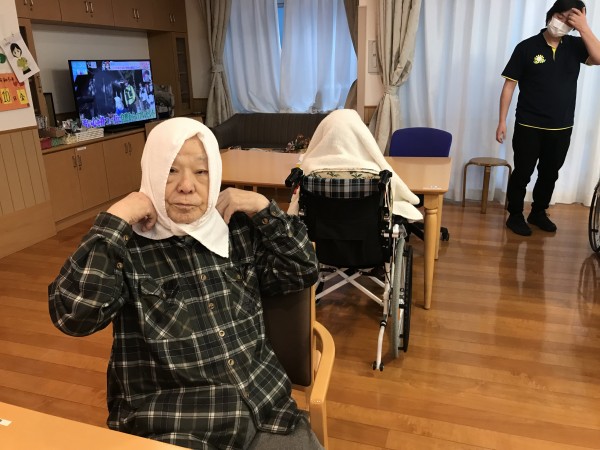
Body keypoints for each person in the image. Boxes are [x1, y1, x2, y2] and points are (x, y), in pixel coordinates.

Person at [48, 117, 322, 450]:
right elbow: (73, 316)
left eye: (201, 171)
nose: (187, 186)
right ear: (151, 172)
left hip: (266, 412)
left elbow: (303, 268)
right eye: (170, 170)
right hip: (178, 426)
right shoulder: (127, 246)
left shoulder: (236, 229)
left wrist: (263, 207)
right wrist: (118, 216)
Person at [496, 0, 600, 236]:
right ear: (551, 15)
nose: (561, 23)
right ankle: (515, 215)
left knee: (549, 174)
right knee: (523, 172)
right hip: (528, 125)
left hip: (561, 126)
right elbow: (509, 86)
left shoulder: (575, 46)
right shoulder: (526, 47)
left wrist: (584, 27)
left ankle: (538, 212)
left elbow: (599, 57)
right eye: (560, 16)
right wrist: (502, 121)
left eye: (568, 21)